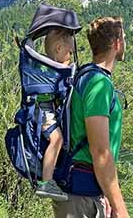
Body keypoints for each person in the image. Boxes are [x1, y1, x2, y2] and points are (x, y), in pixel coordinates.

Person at [54, 17, 129, 218]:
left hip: (85, 190)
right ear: (116, 43)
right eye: (124, 38)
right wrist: (120, 207)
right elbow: (100, 152)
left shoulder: (85, 75)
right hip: (81, 196)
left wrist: (105, 191)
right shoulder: (98, 84)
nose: (126, 43)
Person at [36, 28, 75, 201]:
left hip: (47, 111)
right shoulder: (50, 70)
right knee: (56, 139)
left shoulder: (46, 68)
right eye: (70, 52)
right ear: (58, 49)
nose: (71, 56)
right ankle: (46, 182)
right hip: (44, 112)